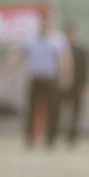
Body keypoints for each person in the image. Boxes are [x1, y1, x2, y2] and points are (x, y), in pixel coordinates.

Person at [17, 16, 72, 148]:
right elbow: (18, 53)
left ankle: (51, 138)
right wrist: (5, 65)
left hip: (51, 79)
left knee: (53, 110)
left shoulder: (57, 39)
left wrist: (65, 76)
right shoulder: (31, 39)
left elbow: (65, 59)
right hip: (35, 78)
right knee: (31, 109)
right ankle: (30, 138)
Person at [63, 23, 87, 143]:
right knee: (63, 109)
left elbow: (83, 69)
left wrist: (82, 84)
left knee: (76, 110)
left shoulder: (80, 50)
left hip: (77, 84)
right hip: (63, 84)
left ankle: (72, 135)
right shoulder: (61, 48)